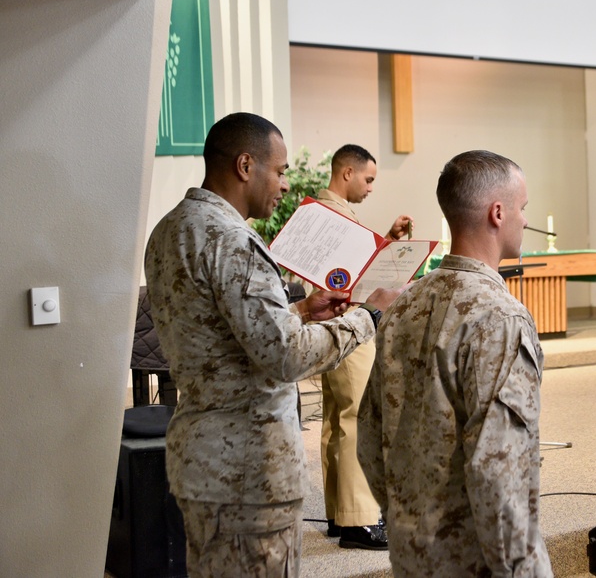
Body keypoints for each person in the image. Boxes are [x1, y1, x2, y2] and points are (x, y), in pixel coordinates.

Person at [144, 112, 401, 578]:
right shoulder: (233, 240)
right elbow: (287, 356)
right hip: (250, 467)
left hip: (201, 458)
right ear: (246, 166)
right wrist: (371, 314)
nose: (284, 184)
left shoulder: (171, 229)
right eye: (279, 171)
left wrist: (302, 311)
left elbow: (219, 329)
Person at [358, 150, 553, 577]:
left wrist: (407, 518)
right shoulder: (500, 317)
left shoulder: (405, 304)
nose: (524, 219)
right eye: (522, 209)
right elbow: (498, 471)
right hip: (475, 560)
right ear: (497, 213)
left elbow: (370, 435)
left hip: (413, 553)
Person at [315, 144, 412, 550]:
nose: (371, 187)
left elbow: (352, 265)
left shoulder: (330, 211)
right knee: (356, 417)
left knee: (336, 418)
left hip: (333, 325)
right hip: (349, 324)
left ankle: (340, 514)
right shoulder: (332, 214)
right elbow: (348, 277)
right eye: (369, 179)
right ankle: (358, 523)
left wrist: (388, 239)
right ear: (348, 172)